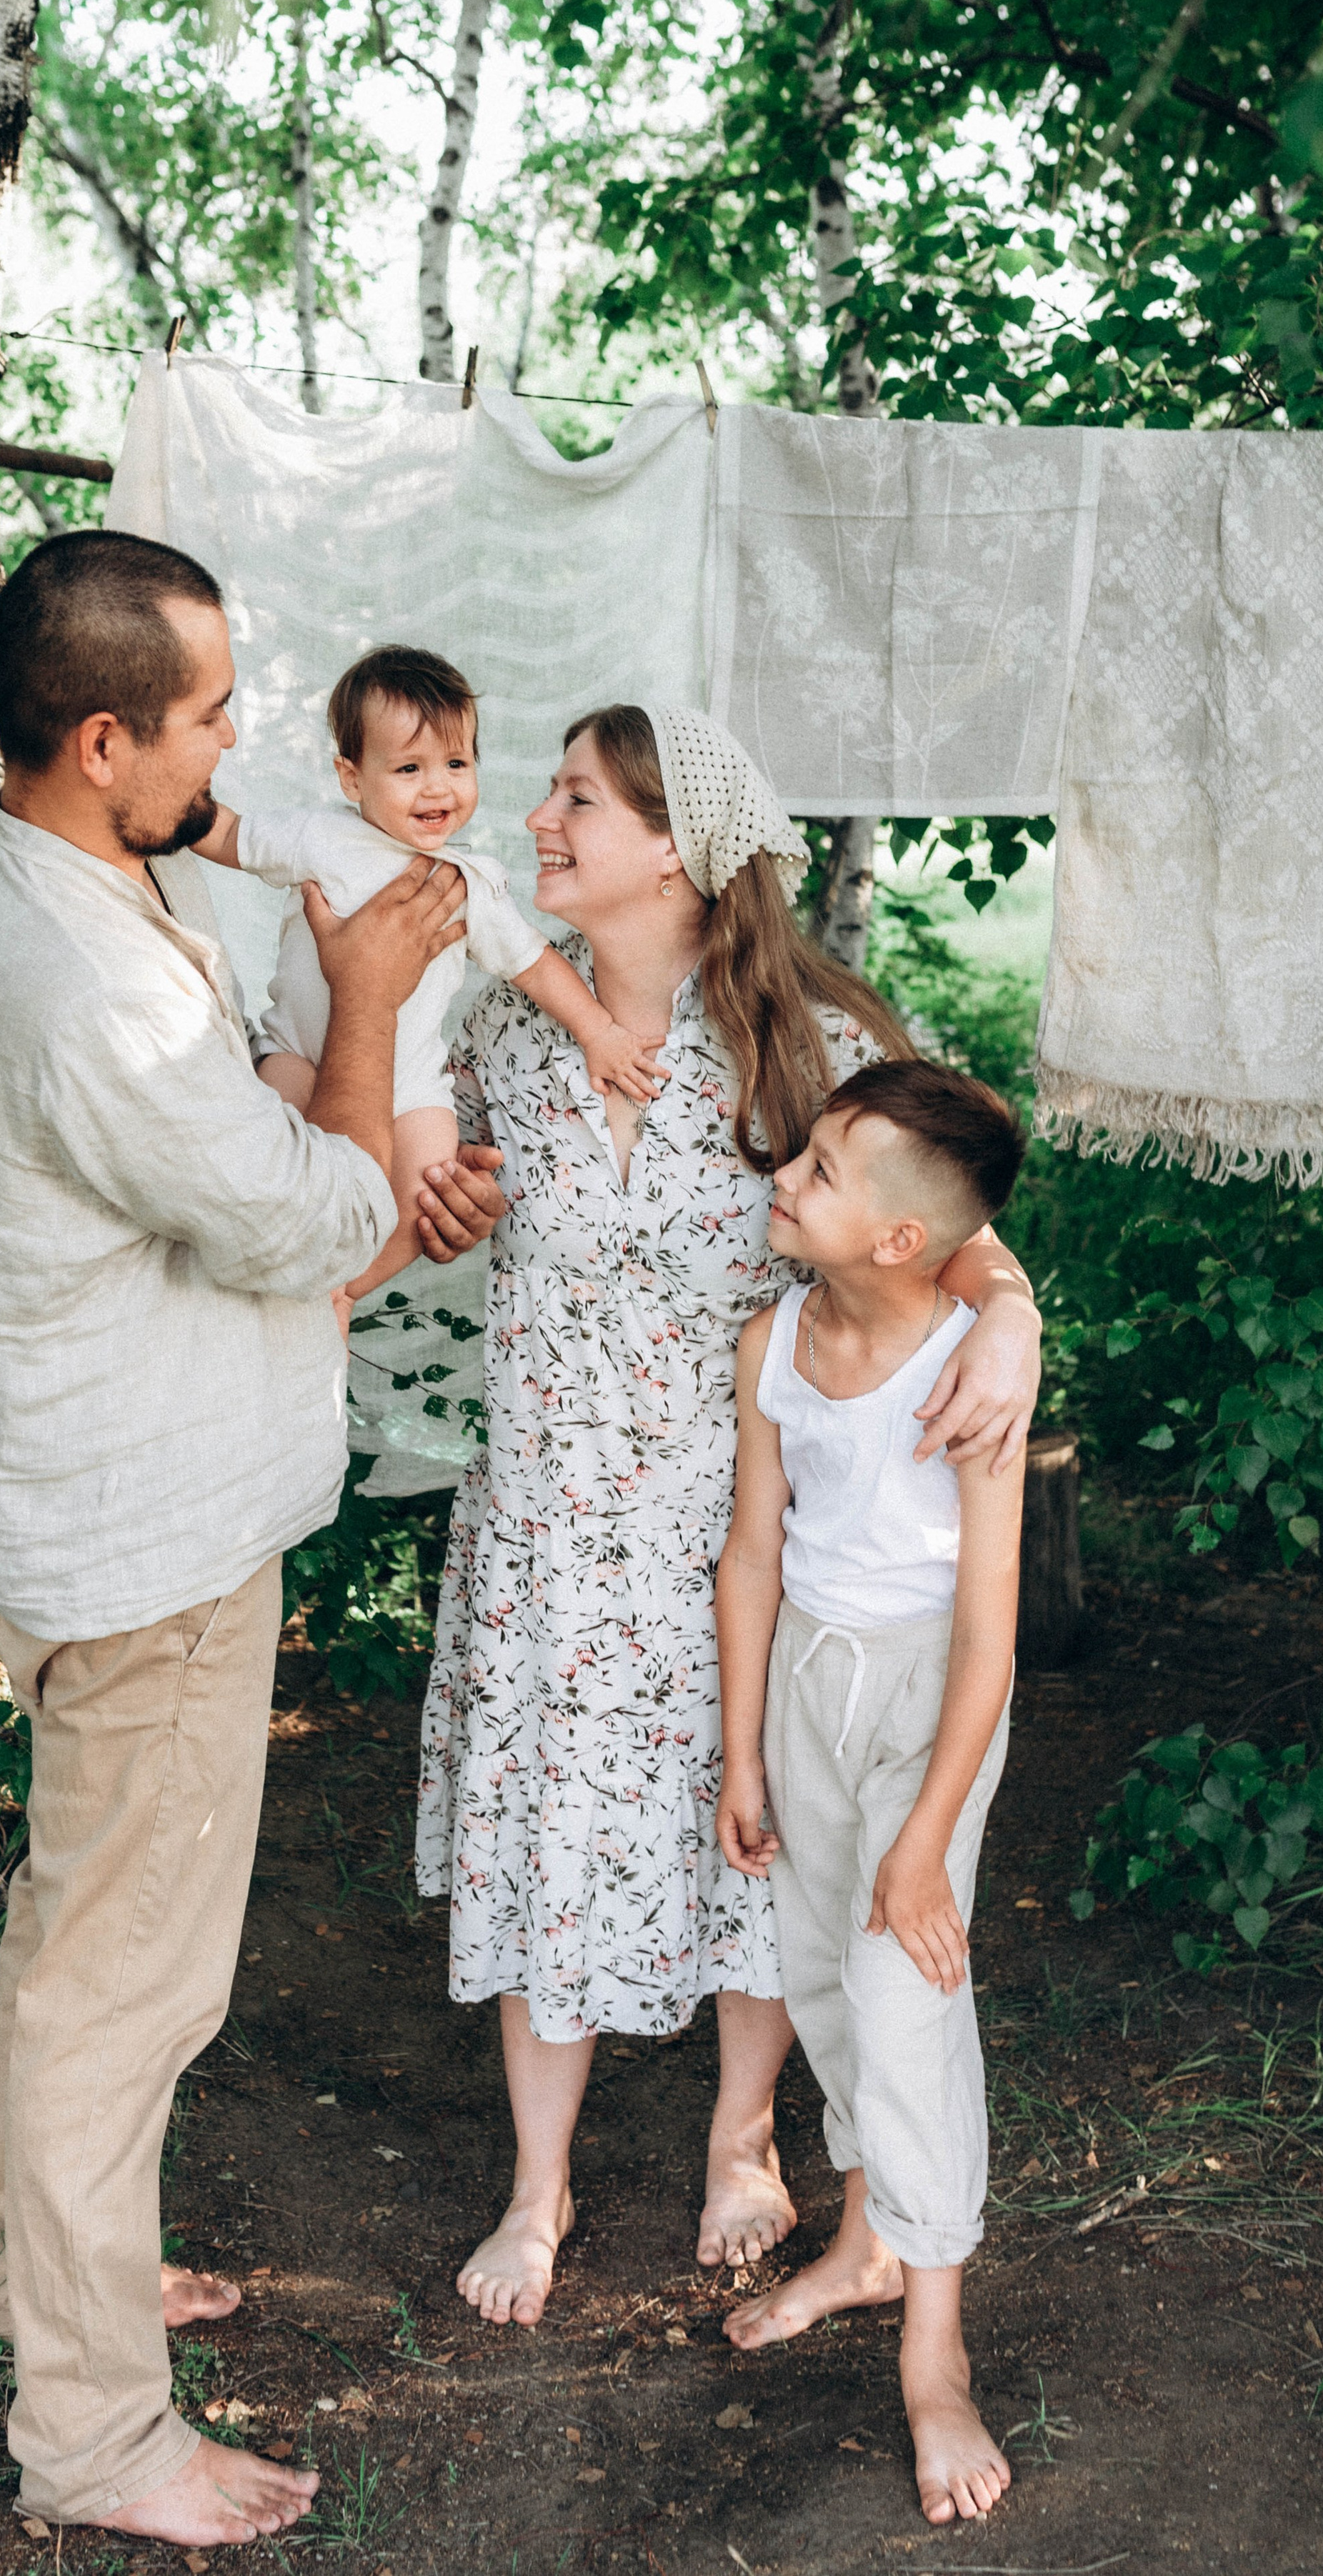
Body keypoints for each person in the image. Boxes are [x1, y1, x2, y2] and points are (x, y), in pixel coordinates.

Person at [0, 530, 503, 2550]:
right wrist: (366, 1004)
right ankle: (94, 2436)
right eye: (211, 715)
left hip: (104, 1510)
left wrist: (312, 1078)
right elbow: (316, 1217)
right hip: (144, 1551)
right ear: (100, 739)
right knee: (122, 1991)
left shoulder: (82, 879)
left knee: (81, 1950)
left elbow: (246, 1148)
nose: (241, 744)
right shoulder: (80, 973)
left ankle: (45, 2276)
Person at [415, 702, 1043, 2330]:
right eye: (546, 794)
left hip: (743, 1528)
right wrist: (442, 1200)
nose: (536, 821)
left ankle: (740, 2134)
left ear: (675, 847)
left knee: (753, 1833)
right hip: (548, 1528)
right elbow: (430, 1193)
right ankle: (537, 2185)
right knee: (552, 1825)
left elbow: (944, 1225)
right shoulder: (501, 1022)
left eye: (574, 799)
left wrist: (1017, 1313)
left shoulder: (803, 1043)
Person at [714, 1057, 1027, 2527]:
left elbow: (986, 1630)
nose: (788, 1175)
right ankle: (860, 2243)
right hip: (804, 1687)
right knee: (822, 1983)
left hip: (928, 1701)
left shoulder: (971, 1363)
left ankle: (934, 2349)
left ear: (898, 1237)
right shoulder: (772, 1338)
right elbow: (752, 1556)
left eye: (824, 1169)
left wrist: (926, 1840)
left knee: (904, 1992)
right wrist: (740, 1746)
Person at [196, 645, 667, 1304]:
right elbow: (227, 836)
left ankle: (340, 1296)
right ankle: (277, 1291)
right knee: (269, 1168)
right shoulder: (318, 838)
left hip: (412, 1084)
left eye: (457, 763)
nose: (438, 787)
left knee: (427, 1196)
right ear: (352, 779)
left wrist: (598, 1032)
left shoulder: (466, 881)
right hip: (300, 1052)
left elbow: (532, 961)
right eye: (410, 768)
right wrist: (162, 806)